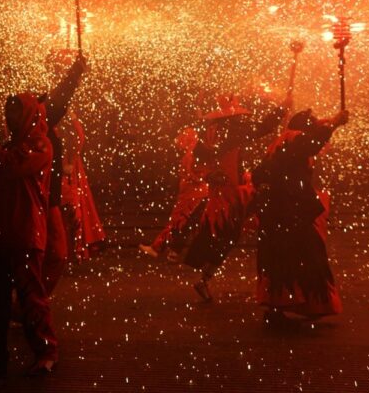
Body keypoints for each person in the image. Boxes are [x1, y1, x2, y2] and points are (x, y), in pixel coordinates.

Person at [0, 93, 58, 381]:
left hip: (24, 233)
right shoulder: (15, 144)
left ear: (29, 114)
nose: (9, 118)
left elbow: (8, 165)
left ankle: (46, 353)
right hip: (1, 234)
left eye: (15, 112)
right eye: (7, 112)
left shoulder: (40, 145)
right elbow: (0, 163)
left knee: (32, 297)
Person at [183, 95, 284, 302]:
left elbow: (200, 158)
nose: (242, 120)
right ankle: (205, 276)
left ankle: (204, 273)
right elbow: (263, 128)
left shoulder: (211, 133)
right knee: (227, 235)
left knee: (224, 233)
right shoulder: (232, 133)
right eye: (238, 117)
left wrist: (208, 174)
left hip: (223, 192)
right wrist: (281, 111)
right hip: (230, 194)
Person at [254, 108, 348, 322]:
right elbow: (312, 143)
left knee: (281, 258)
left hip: (277, 211)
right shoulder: (295, 139)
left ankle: (284, 306)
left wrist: (334, 122)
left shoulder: (280, 143)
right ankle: (308, 304)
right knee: (304, 255)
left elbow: (259, 175)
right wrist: (333, 124)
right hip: (287, 212)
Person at [43, 49, 86, 294]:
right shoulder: (35, 137)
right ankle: (31, 306)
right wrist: (75, 74)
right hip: (45, 200)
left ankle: (31, 305)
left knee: (55, 253)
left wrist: (75, 74)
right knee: (53, 253)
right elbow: (57, 103)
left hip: (50, 197)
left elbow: (58, 102)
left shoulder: (35, 131)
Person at [139, 126, 208, 261]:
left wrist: (189, 179)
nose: (179, 140)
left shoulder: (191, 155)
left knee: (177, 221)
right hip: (195, 194)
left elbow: (197, 175)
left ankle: (158, 248)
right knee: (187, 223)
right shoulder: (195, 152)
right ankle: (175, 251)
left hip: (191, 194)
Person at [58, 109, 105, 260]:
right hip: (64, 184)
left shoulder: (70, 148)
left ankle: (75, 250)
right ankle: (71, 251)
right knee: (68, 216)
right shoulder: (59, 142)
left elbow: (80, 138)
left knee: (73, 215)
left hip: (71, 184)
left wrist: (73, 118)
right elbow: (80, 138)